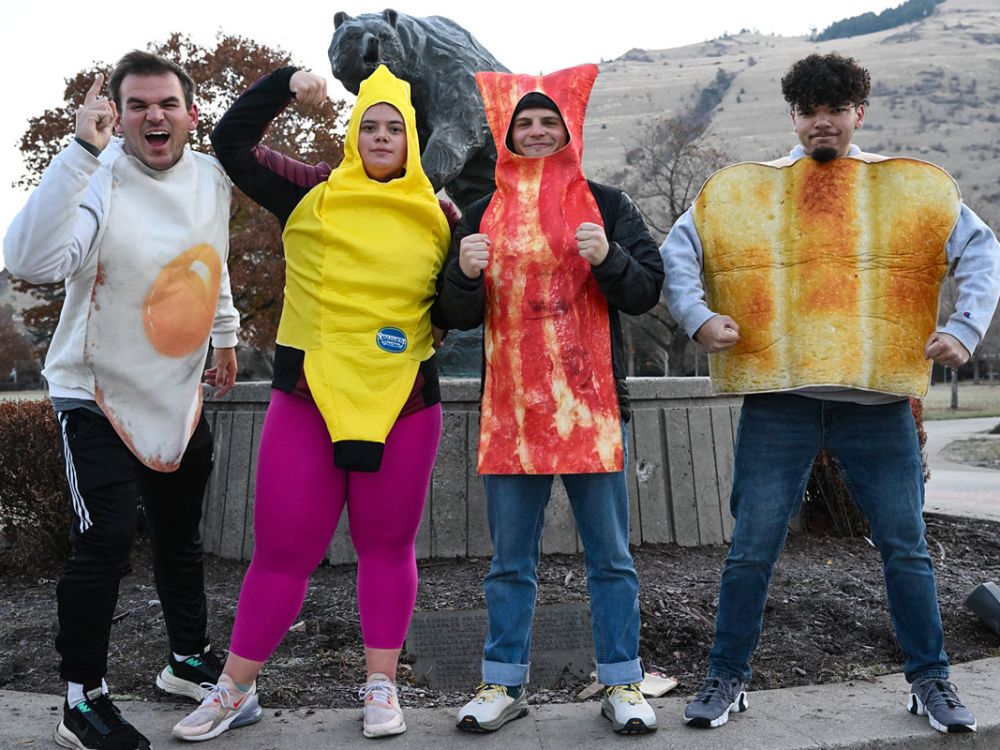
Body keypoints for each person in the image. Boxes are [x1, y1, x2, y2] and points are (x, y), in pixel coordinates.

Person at [661, 52, 1000, 735]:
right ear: (793, 116)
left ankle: (929, 680)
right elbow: (680, 248)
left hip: (875, 404)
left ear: (858, 114)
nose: (823, 123)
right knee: (752, 545)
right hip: (779, 397)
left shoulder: (910, 188)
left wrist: (965, 328)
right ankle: (727, 676)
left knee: (906, 545)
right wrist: (697, 317)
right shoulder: (747, 190)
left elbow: (981, 249)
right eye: (810, 111)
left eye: (836, 110)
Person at [171, 64, 453, 742]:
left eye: (394, 128)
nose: (381, 136)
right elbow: (232, 145)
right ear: (353, 135)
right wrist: (282, 86)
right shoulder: (311, 191)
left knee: (388, 547)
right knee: (282, 550)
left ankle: (382, 687)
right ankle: (234, 689)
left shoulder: (441, 214)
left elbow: (458, 310)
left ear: (412, 140)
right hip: (308, 396)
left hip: (404, 399)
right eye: (370, 126)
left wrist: (469, 267)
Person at [3, 51, 239, 750]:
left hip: (175, 389)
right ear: (118, 116)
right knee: (104, 541)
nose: (152, 116)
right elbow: (32, 263)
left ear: (191, 115)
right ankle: (82, 701)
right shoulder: (97, 176)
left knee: (180, 535)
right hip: (95, 388)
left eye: (166, 103)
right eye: (136, 105)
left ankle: (187, 661)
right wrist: (79, 150)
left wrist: (225, 337)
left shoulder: (210, 179)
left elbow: (210, 259)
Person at [438, 65, 664, 735]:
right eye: (524, 123)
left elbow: (647, 291)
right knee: (510, 563)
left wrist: (610, 259)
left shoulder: (609, 204)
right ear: (507, 134)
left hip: (590, 412)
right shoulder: (480, 212)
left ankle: (623, 683)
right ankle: (502, 684)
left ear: (570, 128)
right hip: (511, 415)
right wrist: (464, 271)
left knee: (611, 559)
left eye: (548, 121)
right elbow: (451, 314)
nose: (536, 131)